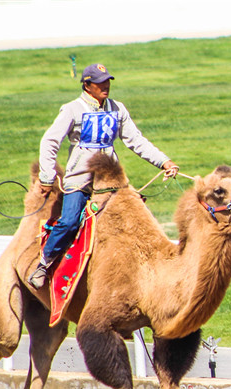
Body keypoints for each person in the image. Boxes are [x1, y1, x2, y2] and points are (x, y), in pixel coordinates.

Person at [28, 63, 179, 289]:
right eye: (100, 82)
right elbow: (50, 142)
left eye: (107, 81)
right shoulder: (71, 109)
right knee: (69, 221)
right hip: (80, 179)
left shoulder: (117, 109)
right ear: (87, 85)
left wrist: (163, 161)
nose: (105, 86)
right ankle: (44, 264)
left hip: (111, 179)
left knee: (139, 214)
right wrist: (47, 177)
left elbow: (136, 140)